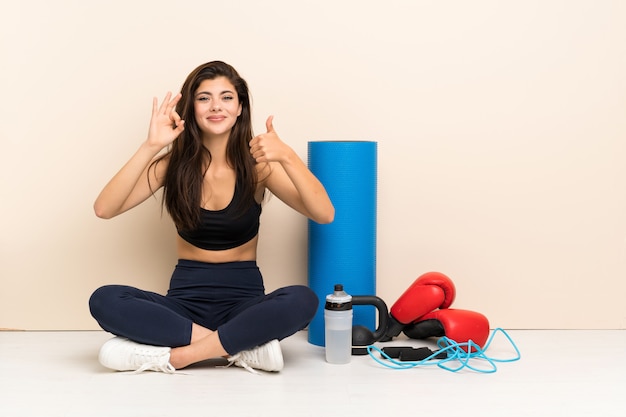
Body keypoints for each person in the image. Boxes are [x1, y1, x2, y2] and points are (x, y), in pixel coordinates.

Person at [88, 61, 335, 374]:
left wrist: (286, 155)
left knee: (303, 300)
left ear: (240, 107)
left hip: (244, 305)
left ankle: (178, 357)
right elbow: (104, 208)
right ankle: (239, 349)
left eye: (226, 97)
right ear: (191, 108)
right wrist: (151, 146)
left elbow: (324, 213)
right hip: (183, 309)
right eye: (204, 98)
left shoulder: (259, 167)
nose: (216, 106)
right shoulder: (172, 166)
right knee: (105, 299)